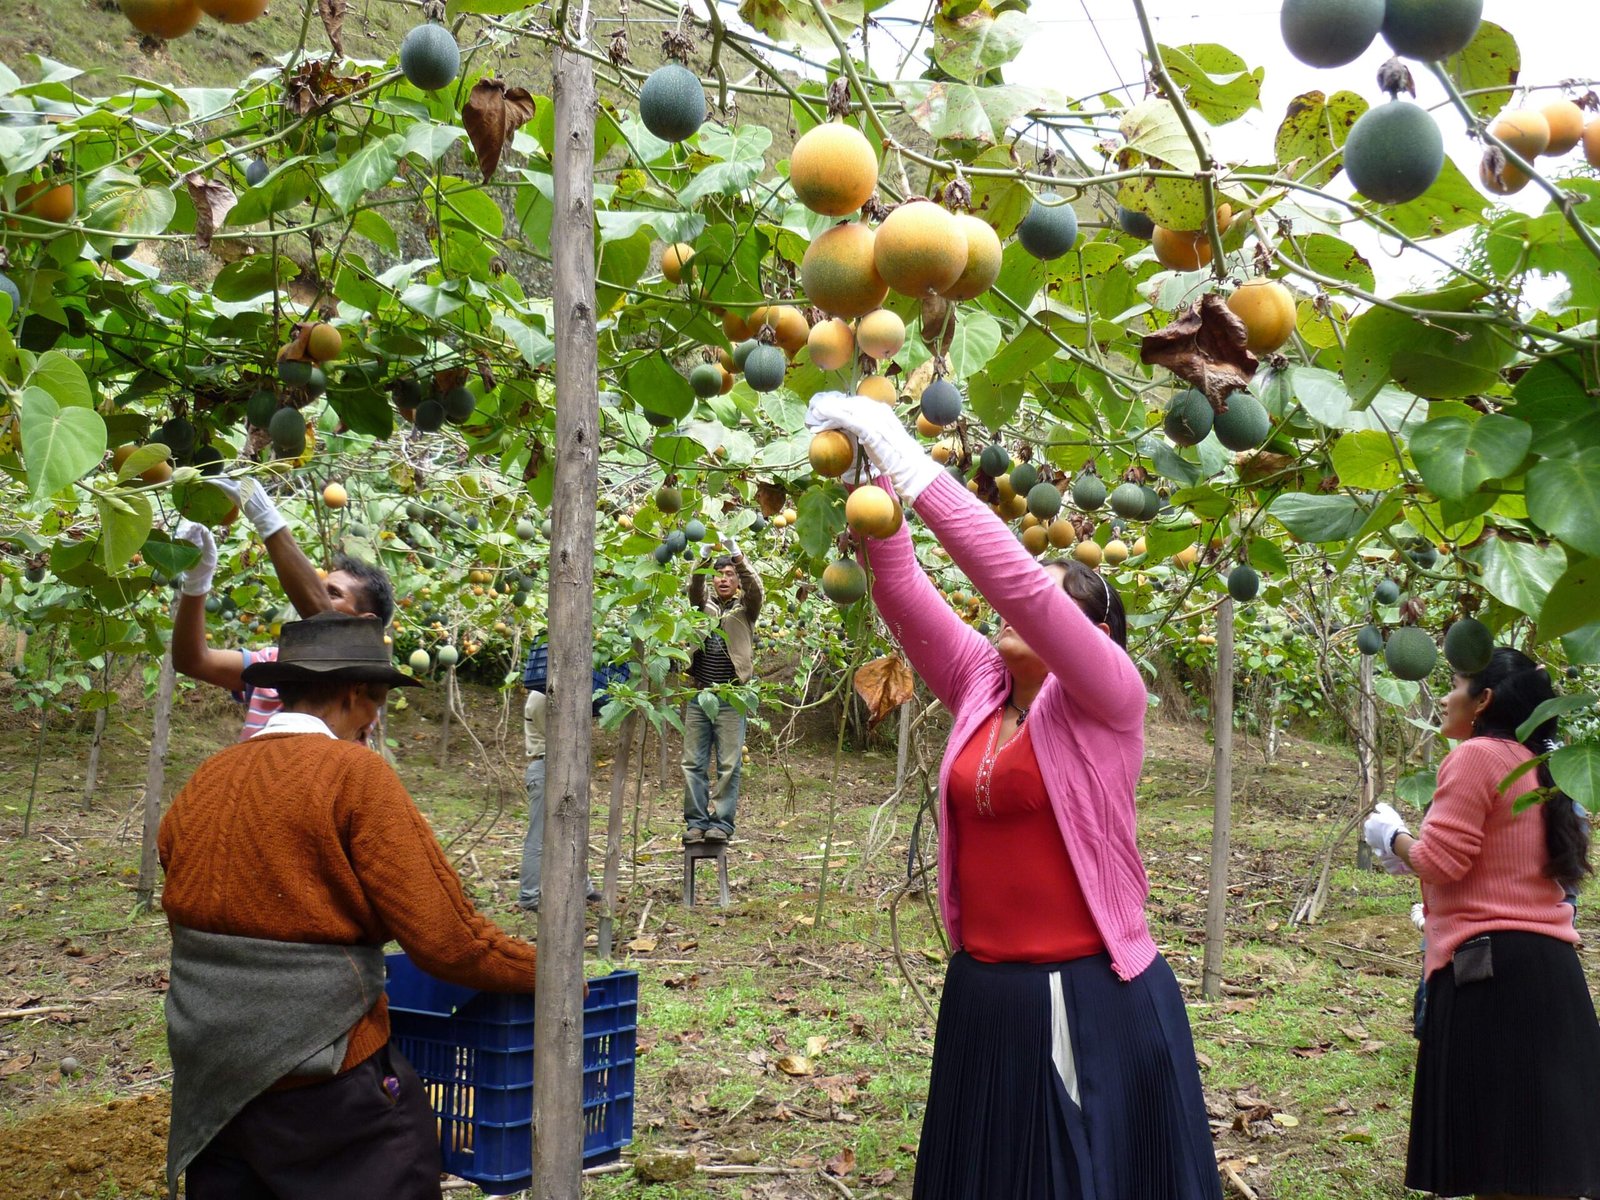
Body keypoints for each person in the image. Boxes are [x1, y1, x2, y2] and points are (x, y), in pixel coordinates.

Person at [805, 393, 1220, 1200]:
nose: (1028, 594)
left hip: (1082, 994)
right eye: (1037, 582)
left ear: (1091, 635)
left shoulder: (1109, 694)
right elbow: (904, 599)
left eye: (1052, 590)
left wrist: (914, 465)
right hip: (985, 992)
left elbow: (1019, 588)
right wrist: (874, 491)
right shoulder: (982, 687)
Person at [159, 612, 540, 1200]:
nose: (374, 719)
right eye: (376, 703)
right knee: (401, 1145)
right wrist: (545, 972)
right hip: (316, 1062)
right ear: (356, 693)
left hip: (210, 1069)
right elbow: (447, 942)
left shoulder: (207, 776)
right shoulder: (352, 774)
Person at [1363, 647, 1598, 1200]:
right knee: (1540, 1165)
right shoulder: (1542, 763)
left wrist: (1393, 837)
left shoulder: (1477, 756)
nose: (1444, 697)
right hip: (1552, 974)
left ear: (1483, 700)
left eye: (1455, 684)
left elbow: (1443, 861)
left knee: (1500, 1163)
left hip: (1492, 977)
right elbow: (1500, 862)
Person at [171, 477, 394, 740]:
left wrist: (269, 522)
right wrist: (197, 583)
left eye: (333, 593)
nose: (316, 594)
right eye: (321, 589)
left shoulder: (361, 685)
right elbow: (193, 661)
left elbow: (330, 630)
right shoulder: (273, 663)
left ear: (365, 624)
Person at [517, 638, 629, 912]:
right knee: (540, 835)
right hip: (547, 767)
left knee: (574, 828)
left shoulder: (549, 691)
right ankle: (531, 894)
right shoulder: (543, 697)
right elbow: (562, 735)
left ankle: (583, 885)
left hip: (559, 767)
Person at [682, 538, 762, 844]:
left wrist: (738, 556)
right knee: (693, 762)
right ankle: (697, 822)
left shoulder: (745, 610)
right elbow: (694, 589)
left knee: (729, 763)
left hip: (731, 698)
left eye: (729, 574)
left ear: (737, 581)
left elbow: (756, 590)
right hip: (700, 695)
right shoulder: (703, 607)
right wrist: (703, 559)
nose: (723, 579)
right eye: (719, 574)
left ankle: (722, 823)